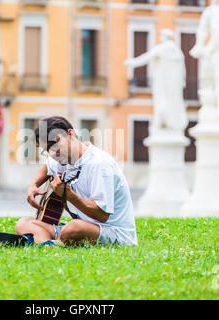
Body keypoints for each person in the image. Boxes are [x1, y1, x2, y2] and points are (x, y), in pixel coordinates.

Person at [15, 116, 138, 246]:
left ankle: (51, 243)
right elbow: (47, 167)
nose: (52, 153)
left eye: (54, 144)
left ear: (70, 134)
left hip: (115, 233)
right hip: (82, 228)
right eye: (47, 150)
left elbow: (102, 215)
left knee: (73, 228)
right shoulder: (62, 156)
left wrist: (68, 195)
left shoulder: (99, 164)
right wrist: (33, 185)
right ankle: (50, 247)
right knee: (23, 224)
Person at [124, 29, 187, 134]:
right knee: (173, 100)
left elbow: (147, 57)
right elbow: (182, 67)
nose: (160, 37)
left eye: (161, 35)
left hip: (164, 79)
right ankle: (172, 121)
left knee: (162, 98)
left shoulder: (163, 48)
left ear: (165, 37)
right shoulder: (176, 50)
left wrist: (133, 62)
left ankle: (165, 121)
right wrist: (182, 80)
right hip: (174, 80)